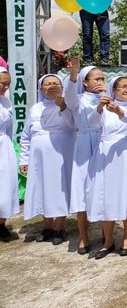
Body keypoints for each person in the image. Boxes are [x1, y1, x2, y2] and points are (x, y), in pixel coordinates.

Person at [86, 76, 127, 259]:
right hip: (106, 157)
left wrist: (119, 111)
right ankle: (108, 241)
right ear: (114, 89)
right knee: (107, 196)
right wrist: (99, 108)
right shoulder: (105, 107)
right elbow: (91, 122)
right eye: (123, 87)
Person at [19, 75, 75, 245]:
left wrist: (63, 107)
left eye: (55, 83)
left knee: (59, 189)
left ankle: (59, 227)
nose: (51, 86)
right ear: (41, 88)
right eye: (47, 84)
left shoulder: (70, 105)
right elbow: (26, 135)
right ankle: (47, 227)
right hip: (39, 158)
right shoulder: (35, 108)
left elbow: (74, 126)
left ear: (62, 86)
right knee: (43, 189)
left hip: (61, 154)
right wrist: (24, 159)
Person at [64, 57, 106, 254]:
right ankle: (83, 236)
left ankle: (107, 233)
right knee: (82, 188)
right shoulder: (78, 100)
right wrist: (73, 74)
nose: (100, 82)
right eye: (96, 79)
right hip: (84, 146)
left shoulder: (109, 97)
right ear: (85, 82)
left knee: (104, 188)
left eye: (102, 78)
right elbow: (69, 95)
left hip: (103, 144)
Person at [0, 68, 17, 241]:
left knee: (4, 185)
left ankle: (1, 223)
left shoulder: (6, 101)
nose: (5, 87)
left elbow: (9, 127)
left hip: (4, 146)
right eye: (2, 83)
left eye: (8, 84)